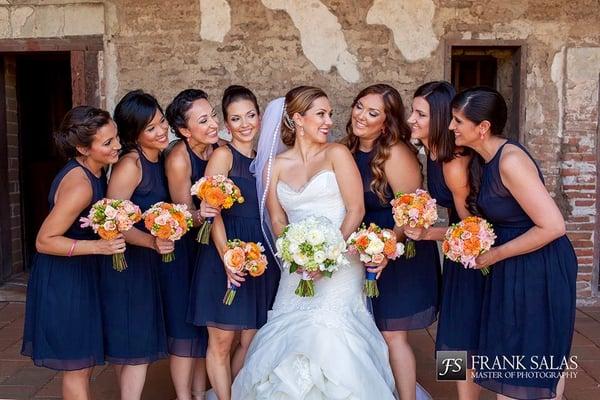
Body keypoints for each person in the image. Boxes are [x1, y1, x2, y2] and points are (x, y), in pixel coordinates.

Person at [232, 86, 400, 399]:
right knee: (289, 337)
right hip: (295, 268)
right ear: (298, 119)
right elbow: (278, 219)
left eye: (330, 115)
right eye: (320, 114)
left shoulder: (337, 153)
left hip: (340, 264)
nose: (328, 122)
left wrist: (328, 256)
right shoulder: (275, 166)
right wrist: (296, 255)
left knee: (330, 336)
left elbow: (356, 209)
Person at [450, 87, 577, 400]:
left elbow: (553, 226)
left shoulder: (510, 162)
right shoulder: (484, 159)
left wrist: (495, 254)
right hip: (515, 264)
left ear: (482, 128)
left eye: (458, 121)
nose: (452, 127)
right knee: (517, 356)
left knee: (530, 357)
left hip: (538, 266)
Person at [343, 83, 441, 400]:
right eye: (359, 106)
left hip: (402, 252)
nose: (361, 115)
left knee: (392, 333)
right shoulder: (346, 150)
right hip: (366, 250)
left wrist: (386, 247)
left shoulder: (396, 153)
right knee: (370, 332)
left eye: (373, 113)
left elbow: (411, 212)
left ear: (385, 122)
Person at [21, 106, 124, 400]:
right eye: (107, 143)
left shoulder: (96, 170)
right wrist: (98, 246)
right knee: (77, 367)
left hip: (82, 273)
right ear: (82, 148)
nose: (117, 145)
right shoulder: (80, 185)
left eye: (115, 137)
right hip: (65, 279)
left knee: (84, 362)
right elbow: (44, 240)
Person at [188, 85, 278, 400]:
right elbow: (213, 213)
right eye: (236, 118)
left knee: (253, 337)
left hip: (260, 255)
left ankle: (230, 393)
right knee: (222, 340)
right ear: (227, 124)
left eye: (250, 115)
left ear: (259, 116)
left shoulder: (265, 159)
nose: (245, 124)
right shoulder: (224, 155)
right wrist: (228, 257)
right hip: (223, 252)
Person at [404, 81, 483, 400]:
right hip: (456, 255)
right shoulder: (433, 153)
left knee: (461, 333)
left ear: (437, 119)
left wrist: (427, 233)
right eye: (412, 111)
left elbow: (473, 230)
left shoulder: (453, 163)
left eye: (420, 114)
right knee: (452, 332)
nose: (411, 119)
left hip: (475, 258)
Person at [101, 90, 171, 400]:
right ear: (134, 134)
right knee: (135, 346)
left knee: (131, 344)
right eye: (152, 128)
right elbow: (111, 221)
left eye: (163, 121)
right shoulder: (132, 164)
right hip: (128, 265)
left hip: (148, 263)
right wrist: (152, 242)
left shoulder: (162, 158)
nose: (162, 130)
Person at [163, 89, 218, 400]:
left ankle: (199, 393)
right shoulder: (179, 158)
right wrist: (204, 212)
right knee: (185, 331)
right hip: (184, 251)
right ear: (184, 130)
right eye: (204, 120)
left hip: (208, 247)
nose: (213, 123)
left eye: (212, 115)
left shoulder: (216, 149)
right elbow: (184, 215)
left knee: (202, 327)